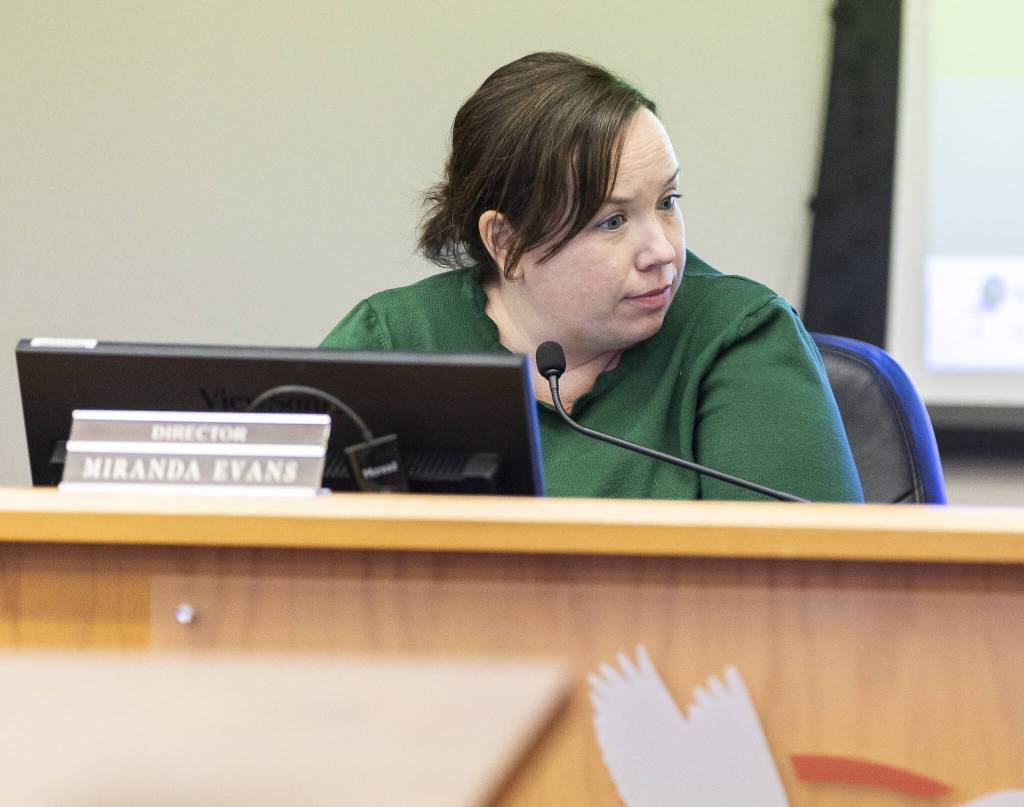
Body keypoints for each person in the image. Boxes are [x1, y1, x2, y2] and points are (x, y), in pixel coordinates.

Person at [321, 52, 863, 502]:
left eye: (668, 201)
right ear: (506, 244)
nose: (662, 250)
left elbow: (814, 593)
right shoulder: (392, 342)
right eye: (612, 221)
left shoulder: (738, 337)